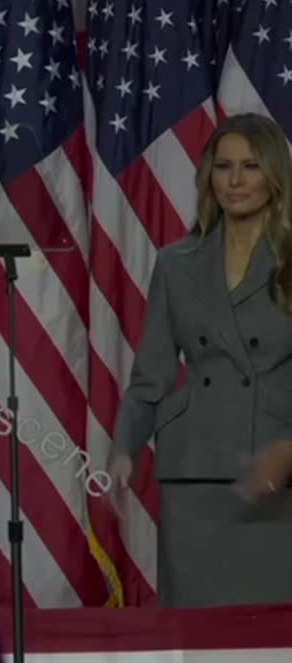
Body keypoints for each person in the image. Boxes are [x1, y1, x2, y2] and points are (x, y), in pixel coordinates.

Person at [110, 112, 292, 607]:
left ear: (275, 175)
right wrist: (124, 448)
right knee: (197, 633)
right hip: (194, 472)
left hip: (276, 473)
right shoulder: (176, 263)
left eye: (251, 166)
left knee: (270, 635)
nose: (235, 181)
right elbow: (152, 376)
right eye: (223, 165)